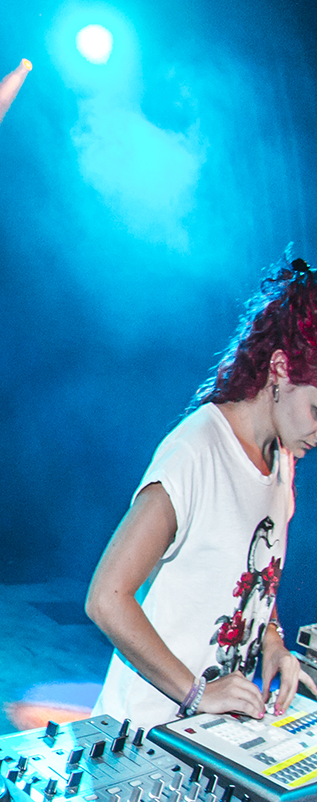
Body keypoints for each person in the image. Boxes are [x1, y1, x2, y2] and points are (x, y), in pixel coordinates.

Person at [88, 256, 317, 729]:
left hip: (209, 734)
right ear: (279, 369)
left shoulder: (282, 460)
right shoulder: (196, 452)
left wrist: (272, 639)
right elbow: (107, 597)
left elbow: (254, 575)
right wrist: (196, 692)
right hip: (146, 732)